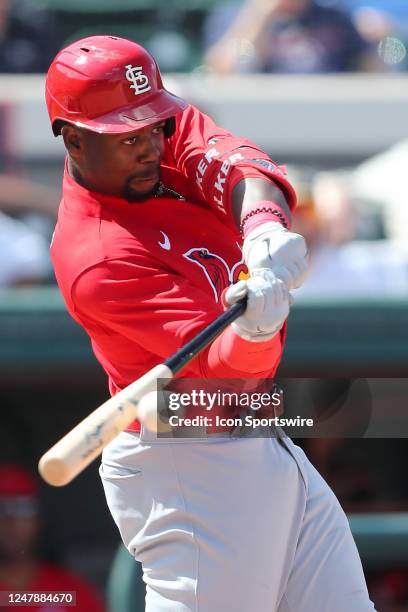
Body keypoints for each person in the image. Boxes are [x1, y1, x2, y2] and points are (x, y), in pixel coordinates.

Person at [45, 35, 376, 610]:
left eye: (154, 127)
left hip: (262, 440)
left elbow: (237, 163)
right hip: (187, 459)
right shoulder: (96, 258)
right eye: (129, 137)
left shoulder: (155, 134)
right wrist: (254, 330)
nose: (151, 146)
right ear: (73, 139)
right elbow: (220, 374)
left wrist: (263, 225)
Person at [0, 464, 105, 612]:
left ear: (38, 519)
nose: (10, 519)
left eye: (22, 507)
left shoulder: (70, 592)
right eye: (1, 508)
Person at [203, 0, 381, 74]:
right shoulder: (234, 16)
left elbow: (370, 73)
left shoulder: (335, 18)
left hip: (329, 118)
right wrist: (259, 16)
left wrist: (374, 43)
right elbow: (224, 70)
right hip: (263, 118)